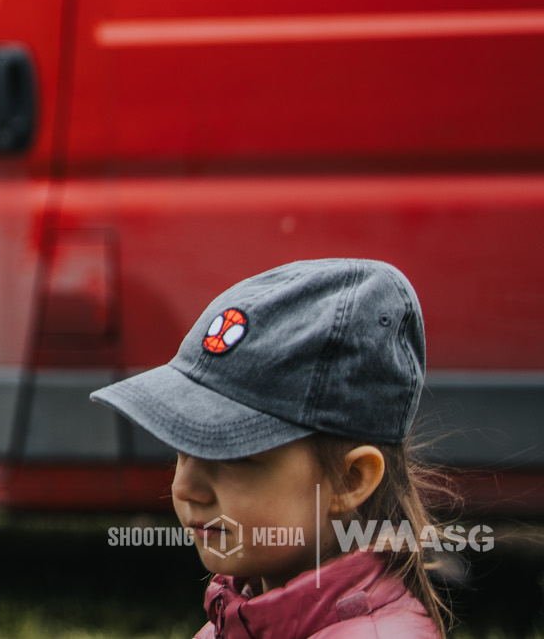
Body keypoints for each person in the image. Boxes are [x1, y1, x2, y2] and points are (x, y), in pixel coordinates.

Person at [91, 259, 446, 639]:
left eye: (232, 455)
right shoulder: (230, 621)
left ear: (350, 479)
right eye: (183, 445)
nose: (184, 487)